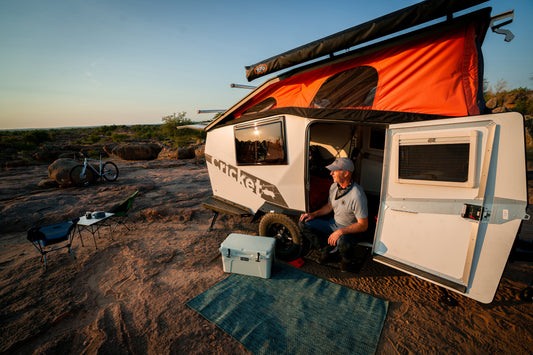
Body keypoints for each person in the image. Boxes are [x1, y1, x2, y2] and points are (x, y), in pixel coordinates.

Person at [299, 157, 368, 271]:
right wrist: (314, 214)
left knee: (344, 244)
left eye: (334, 170)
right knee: (304, 223)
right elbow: (329, 206)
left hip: (350, 230)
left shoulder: (357, 195)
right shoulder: (334, 187)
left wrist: (341, 231)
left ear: (345, 173)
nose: (331, 173)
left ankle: (347, 261)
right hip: (334, 224)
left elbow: (363, 225)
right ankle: (328, 249)